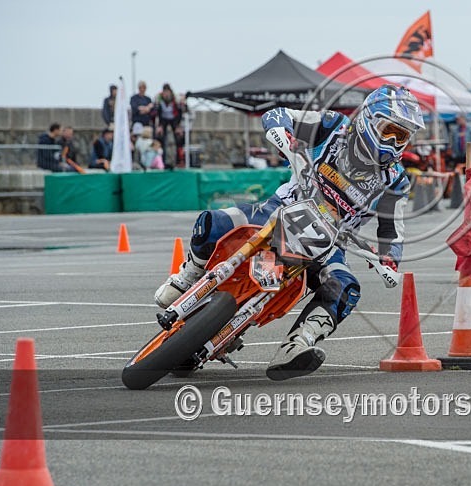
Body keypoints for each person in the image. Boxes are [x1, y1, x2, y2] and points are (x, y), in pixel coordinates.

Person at [154, 85, 424, 381]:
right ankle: (189, 275)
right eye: (390, 131)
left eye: (402, 137)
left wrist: (389, 259)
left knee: (345, 287)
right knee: (214, 222)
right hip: (282, 208)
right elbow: (280, 115)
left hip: (329, 242)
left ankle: (298, 343)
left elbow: (392, 229)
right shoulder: (333, 127)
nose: (393, 143)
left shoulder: (396, 180)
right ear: (370, 120)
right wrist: (281, 134)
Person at [155, 83, 183, 168]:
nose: (166, 94)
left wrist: (178, 126)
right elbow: (158, 112)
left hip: (173, 118)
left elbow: (179, 113)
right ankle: (162, 161)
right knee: (161, 138)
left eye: (167, 92)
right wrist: (159, 126)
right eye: (164, 92)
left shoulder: (175, 99)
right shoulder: (159, 99)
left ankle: (179, 160)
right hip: (163, 119)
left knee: (178, 138)